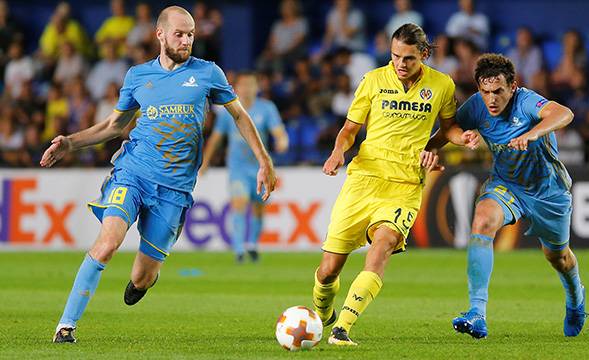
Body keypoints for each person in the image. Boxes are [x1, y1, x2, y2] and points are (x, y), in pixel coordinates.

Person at [41, 6, 277, 343]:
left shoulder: (208, 73)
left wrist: (264, 161)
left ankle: (143, 281)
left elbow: (239, 115)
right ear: (160, 34)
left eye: (191, 34)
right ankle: (66, 325)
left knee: (143, 276)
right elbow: (115, 125)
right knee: (108, 243)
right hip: (133, 173)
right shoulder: (138, 76)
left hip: (175, 189)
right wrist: (70, 142)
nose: (186, 40)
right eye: (180, 34)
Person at [311, 23, 478, 346]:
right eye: (395, 56)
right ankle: (323, 310)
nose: (400, 64)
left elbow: (448, 129)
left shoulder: (441, 85)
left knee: (383, 244)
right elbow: (349, 129)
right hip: (363, 179)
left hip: (404, 184)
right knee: (328, 270)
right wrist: (336, 153)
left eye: (409, 58)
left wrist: (463, 138)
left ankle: (342, 328)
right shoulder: (374, 80)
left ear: (424, 55)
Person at [427, 53, 587, 339]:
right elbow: (448, 130)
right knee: (482, 220)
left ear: (512, 86)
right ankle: (477, 313)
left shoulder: (526, 101)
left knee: (557, 257)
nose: (491, 99)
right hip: (507, 185)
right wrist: (431, 146)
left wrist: (535, 133)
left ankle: (575, 298)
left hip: (547, 190)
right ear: (479, 89)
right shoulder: (477, 106)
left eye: (498, 91)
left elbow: (564, 113)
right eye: (485, 91)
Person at [200, 71, 288, 263]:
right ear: (236, 88)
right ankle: (239, 249)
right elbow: (216, 138)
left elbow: (278, 130)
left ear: (257, 87)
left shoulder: (266, 108)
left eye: (250, 85)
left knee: (258, 208)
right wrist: (205, 161)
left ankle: (252, 245)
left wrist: (282, 140)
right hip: (237, 169)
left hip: (259, 168)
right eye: (243, 85)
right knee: (239, 204)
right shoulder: (229, 111)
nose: (247, 89)